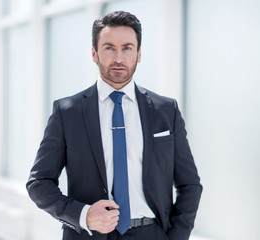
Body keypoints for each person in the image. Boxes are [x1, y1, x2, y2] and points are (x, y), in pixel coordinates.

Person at [26, 11, 202, 240]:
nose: (119, 58)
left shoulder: (166, 110)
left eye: (127, 48)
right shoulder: (67, 112)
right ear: (94, 53)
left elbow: (190, 185)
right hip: (89, 235)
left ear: (138, 54)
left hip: (151, 234)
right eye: (109, 48)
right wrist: (83, 215)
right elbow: (38, 183)